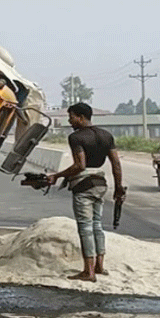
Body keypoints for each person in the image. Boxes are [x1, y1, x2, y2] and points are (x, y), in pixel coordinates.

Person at [46, 103, 125, 282]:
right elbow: (116, 165)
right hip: (100, 183)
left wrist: (56, 176)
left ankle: (88, 272)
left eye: (71, 116)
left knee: (85, 228)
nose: (69, 120)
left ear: (81, 117)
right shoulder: (106, 135)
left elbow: (79, 166)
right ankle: (99, 266)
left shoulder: (76, 137)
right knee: (97, 225)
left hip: (83, 185)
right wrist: (119, 188)